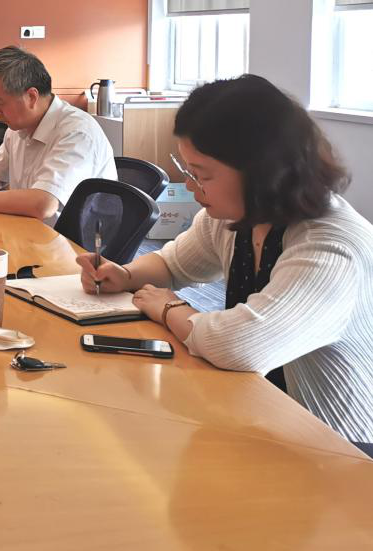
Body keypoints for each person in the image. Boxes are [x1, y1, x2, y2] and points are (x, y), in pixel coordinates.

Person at [77, 75, 373, 452]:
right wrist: (124, 275)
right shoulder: (237, 216)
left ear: (261, 172)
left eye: (201, 175)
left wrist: (169, 308)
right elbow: (174, 264)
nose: (189, 186)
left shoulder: (332, 248)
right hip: (264, 418)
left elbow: (240, 345)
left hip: (340, 450)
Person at [0, 46, 116, 221]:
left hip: (70, 243)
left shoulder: (77, 133)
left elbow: (43, 204)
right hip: (29, 231)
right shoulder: (18, 127)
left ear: (31, 97)